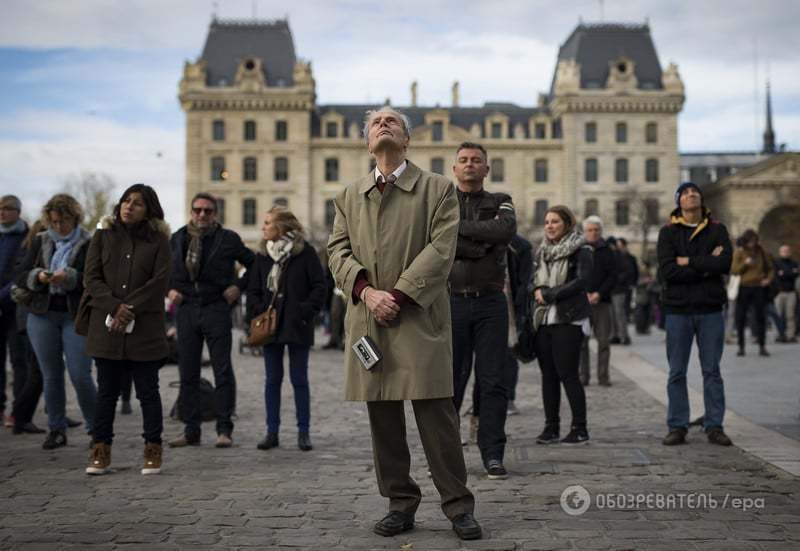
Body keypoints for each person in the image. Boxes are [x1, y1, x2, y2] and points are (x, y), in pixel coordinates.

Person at [328, 106, 481, 540]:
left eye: (392, 121)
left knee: (437, 417)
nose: (383, 125)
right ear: (367, 141)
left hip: (417, 317)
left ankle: (457, 506)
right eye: (376, 122)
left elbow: (441, 249)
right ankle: (400, 503)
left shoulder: (438, 189)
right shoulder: (348, 194)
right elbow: (336, 251)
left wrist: (397, 295)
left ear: (408, 139)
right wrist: (366, 292)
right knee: (384, 420)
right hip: (369, 320)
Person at [82, 184, 172, 475]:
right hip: (106, 327)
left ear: (149, 210)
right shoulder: (102, 234)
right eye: (125, 201)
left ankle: (153, 449)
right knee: (106, 392)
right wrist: (114, 306)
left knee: (148, 391)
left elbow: (159, 281)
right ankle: (100, 450)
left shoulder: (159, 240)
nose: (128, 206)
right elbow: (91, 277)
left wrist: (128, 307)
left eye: (137, 203)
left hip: (145, 328)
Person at [448, 142, 515, 479]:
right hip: (452, 302)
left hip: (490, 303)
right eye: (463, 160)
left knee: (493, 382)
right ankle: (446, 457)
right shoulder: (441, 203)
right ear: (454, 168)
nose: (470, 165)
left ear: (487, 169)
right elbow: (434, 240)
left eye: (476, 160)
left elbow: (505, 230)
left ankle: (492, 453)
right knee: (450, 382)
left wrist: (458, 230)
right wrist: (481, 245)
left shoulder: (501, 200)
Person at [168, 192, 255, 448]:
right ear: (191, 212)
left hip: (216, 307)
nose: (202, 215)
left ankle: (224, 428)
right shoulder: (178, 238)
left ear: (215, 213)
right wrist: (169, 289)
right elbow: (163, 270)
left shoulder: (227, 239)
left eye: (207, 210)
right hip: (186, 309)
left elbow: (254, 263)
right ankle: (191, 429)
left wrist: (239, 286)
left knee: (222, 370)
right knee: (188, 372)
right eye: (197, 210)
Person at [17, 193, 96, 449]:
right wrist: (38, 276)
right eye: (54, 221)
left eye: (64, 221)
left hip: (75, 315)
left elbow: (96, 279)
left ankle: (98, 430)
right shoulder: (40, 241)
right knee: (50, 375)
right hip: (42, 314)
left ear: (75, 218)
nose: (59, 226)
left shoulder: (89, 243)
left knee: (80, 374)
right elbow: (20, 274)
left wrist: (71, 277)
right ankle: (56, 429)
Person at [657, 182, 733, 447]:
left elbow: (723, 264)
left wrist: (687, 261)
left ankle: (715, 425)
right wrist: (705, 264)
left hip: (710, 309)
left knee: (712, 370)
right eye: (686, 193)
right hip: (678, 310)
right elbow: (667, 271)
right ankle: (677, 426)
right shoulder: (668, 233)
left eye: (695, 192)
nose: (692, 195)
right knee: (676, 371)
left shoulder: (718, 229)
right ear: (679, 201)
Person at [247, 206, 326, 451]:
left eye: (268, 223)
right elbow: (253, 289)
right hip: (270, 326)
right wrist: (259, 310)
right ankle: (272, 431)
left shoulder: (305, 253)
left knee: (299, 379)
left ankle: (304, 432)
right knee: (272, 380)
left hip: (297, 324)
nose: (263, 228)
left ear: (282, 227)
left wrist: (304, 311)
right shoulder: (262, 255)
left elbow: (319, 286)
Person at [532, 205, 592, 445]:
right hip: (544, 319)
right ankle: (551, 427)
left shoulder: (581, 249)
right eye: (547, 222)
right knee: (548, 375)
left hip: (569, 317)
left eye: (555, 221)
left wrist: (551, 294)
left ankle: (580, 428)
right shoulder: (541, 251)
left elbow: (583, 281)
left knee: (568, 374)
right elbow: (531, 281)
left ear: (567, 224)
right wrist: (536, 290)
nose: (549, 226)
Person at [0, 195, 29, 426]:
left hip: (17, 306)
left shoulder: (27, 237)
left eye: (8, 209)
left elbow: (22, 272)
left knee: (21, 360)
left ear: (18, 211)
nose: (2, 212)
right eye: (0, 208)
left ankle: (18, 412)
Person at [579, 215, 616, 387]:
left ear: (600, 231)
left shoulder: (608, 250)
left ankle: (603, 376)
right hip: (581, 302)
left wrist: (599, 294)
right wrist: (583, 294)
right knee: (582, 343)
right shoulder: (578, 250)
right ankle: (583, 376)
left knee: (603, 341)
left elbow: (612, 276)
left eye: (596, 230)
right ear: (584, 231)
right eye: (589, 230)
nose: (593, 233)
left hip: (602, 302)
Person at [731, 229, 774, 357]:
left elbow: (770, 268)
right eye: (750, 241)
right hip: (743, 288)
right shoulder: (739, 252)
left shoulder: (761, 252)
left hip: (759, 287)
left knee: (761, 317)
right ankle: (741, 347)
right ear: (745, 241)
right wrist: (745, 263)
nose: (752, 244)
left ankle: (762, 346)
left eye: (754, 241)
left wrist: (768, 279)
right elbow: (734, 270)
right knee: (740, 317)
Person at [774, 244, 798, 343]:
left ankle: (790, 335)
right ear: (780, 252)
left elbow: (796, 274)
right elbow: (776, 276)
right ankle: (779, 334)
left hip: (791, 292)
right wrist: (790, 273)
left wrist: (784, 273)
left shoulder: (794, 263)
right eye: (783, 251)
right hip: (779, 293)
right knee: (778, 315)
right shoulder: (776, 263)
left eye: (787, 250)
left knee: (790, 315)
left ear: (790, 252)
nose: (785, 252)